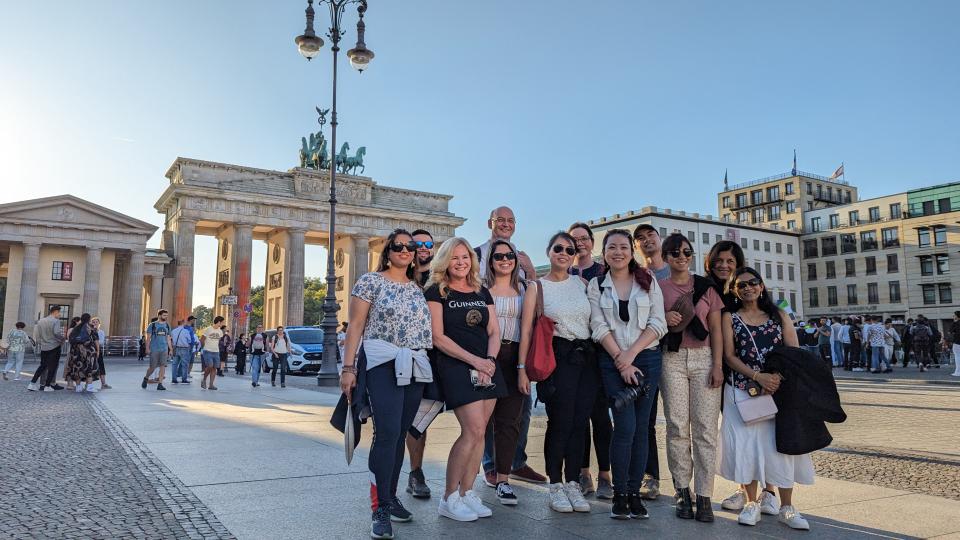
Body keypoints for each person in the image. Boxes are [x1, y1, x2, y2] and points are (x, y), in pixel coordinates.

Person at [340, 228, 433, 538]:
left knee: (400, 435)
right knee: (387, 433)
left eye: (411, 246)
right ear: (388, 250)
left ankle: (391, 497)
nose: (405, 250)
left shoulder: (419, 286)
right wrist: (349, 367)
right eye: (398, 246)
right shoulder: (371, 281)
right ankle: (379, 508)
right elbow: (355, 327)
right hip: (383, 364)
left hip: (415, 367)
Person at [718, 267, 812, 530]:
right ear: (734, 290)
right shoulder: (730, 317)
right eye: (741, 285)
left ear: (761, 286)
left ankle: (787, 507)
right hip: (742, 390)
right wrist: (758, 377)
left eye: (752, 283)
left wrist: (776, 378)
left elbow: (793, 352)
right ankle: (751, 503)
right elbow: (730, 356)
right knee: (746, 447)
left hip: (777, 391)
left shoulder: (778, 315)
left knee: (780, 447)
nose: (747, 288)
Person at [585, 229, 666, 519]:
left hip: (646, 358)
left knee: (643, 427)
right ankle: (620, 493)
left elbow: (659, 323)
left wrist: (630, 356)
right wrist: (621, 358)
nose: (617, 252)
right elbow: (597, 325)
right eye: (611, 247)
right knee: (625, 427)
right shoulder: (596, 285)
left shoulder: (647, 281)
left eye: (623, 247)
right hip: (612, 361)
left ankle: (635, 494)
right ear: (603, 253)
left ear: (631, 251)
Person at [426, 237, 505, 522]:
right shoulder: (437, 291)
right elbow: (438, 337)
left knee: (481, 432)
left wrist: (491, 362)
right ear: (445, 261)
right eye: (454, 257)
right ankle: (448, 497)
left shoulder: (482, 291)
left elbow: (494, 331)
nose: (461, 262)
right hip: (458, 366)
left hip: (488, 366)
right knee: (471, 430)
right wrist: (476, 361)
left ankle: (467, 492)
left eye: (465, 257)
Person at [519, 232, 595, 515]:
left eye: (569, 249)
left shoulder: (583, 283)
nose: (564, 253)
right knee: (560, 422)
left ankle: (573, 482)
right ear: (549, 252)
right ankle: (556, 484)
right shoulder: (537, 288)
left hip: (585, 358)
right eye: (558, 248)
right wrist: (521, 370)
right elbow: (526, 330)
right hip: (557, 359)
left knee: (579, 422)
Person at [474, 208, 546, 486]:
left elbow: (535, 301)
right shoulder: (477, 254)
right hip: (486, 347)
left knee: (521, 409)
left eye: (510, 221)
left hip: (517, 347)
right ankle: (491, 464)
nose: (505, 224)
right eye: (500, 220)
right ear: (489, 223)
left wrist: (528, 269)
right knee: (488, 412)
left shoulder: (522, 257)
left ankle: (515, 461)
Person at [656, 233, 723, 522]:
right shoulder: (658, 289)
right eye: (674, 253)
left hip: (704, 358)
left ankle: (705, 495)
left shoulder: (706, 288)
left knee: (706, 429)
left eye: (686, 252)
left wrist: (718, 364)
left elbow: (717, 329)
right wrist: (664, 318)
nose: (681, 257)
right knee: (677, 426)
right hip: (671, 359)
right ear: (666, 257)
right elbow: (649, 323)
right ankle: (683, 492)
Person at [568, 222, 612, 499]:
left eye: (584, 239)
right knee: (579, 417)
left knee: (601, 416)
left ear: (592, 243)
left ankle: (606, 474)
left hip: (600, 351)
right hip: (574, 352)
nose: (580, 243)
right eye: (575, 240)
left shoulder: (602, 271)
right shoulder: (564, 271)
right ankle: (584, 473)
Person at [483, 239, 528, 506]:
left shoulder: (524, 289)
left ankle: (503, 480)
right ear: (490, 261)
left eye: (509, 255)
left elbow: (530, 329)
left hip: (514, 357)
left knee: (510, 421)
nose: (504, 259)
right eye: (498, 255)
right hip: (487, 358)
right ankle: (469, 479)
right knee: (481, 423)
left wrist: (523, 367)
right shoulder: (481, 289)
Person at [632, 223, 669, 500]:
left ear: (660, 239)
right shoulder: (635, 275)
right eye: (640, 238)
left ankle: (686, 483)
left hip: (676, 353)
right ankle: (649, 476)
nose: (646, 241)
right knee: (645, 419)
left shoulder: (676, 270)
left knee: (681, 423)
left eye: (650, 236)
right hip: (648, 353)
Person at [406, 228, 435, 499]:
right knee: (414, 418)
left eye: (428, 243)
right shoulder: (398, 277)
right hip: (407, 355)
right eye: (417, 244)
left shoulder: (440, 277)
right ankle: (415, 472)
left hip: (437, 356)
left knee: (425, 415)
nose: (423, 247)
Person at [28, 306, 65, 392]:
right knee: (53, 367)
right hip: (54, 346)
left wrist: (42, 343)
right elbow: (56, 333)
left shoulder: (40, 321)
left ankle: (32, 384)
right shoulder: (56, 321)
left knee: (42, 366)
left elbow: (37, 335)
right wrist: (62, 339)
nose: (60, 314)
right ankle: (47, 386)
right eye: (59, 312)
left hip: (44, 347)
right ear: (55, 312)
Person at [703, 240, 745, 312]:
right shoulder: (701, 288)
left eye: (730, 261)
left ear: (738, 265)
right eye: (719, 260)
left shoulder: (744, 289)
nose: (724, 266)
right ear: (711, 262)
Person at [67, 313, 100, 393]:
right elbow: (96, 340)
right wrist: (98, 350)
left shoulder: (76, 328)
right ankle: (89, 387)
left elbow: (71, 340)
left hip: (76, 351)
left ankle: (78, 387)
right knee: (89, 368)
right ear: (89, 319)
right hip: (88, 351)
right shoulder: (91, 328)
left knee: (77, 368)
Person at [142, 310, 172, 391]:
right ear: (159, 315)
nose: (166, 317)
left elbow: (168, 338)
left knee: (163, 366)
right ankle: (146, 378)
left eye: (166, 315)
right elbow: (148, 338)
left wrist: (171, 349)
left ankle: (160, 384)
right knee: (152, 367)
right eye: (164, 315)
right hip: (154, 349)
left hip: (164, 349)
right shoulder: (152, 325)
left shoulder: (167, 326)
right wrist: (147, 348)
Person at [200, 316, 225, 390]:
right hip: (207, 351)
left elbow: (218, 341)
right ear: (219, 322)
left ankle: (211, 385)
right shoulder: (208, 329)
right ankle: (204, 379)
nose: (223, 324)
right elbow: (202, 340)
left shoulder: (220, 331)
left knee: (214, 368)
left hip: (216, 351)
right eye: (222, 322)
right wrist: (204, 348)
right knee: (210, 366)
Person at [171, 318, 196, 384]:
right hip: (184, 349)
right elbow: (189, 340)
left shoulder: (173, 331)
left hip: (176, 348)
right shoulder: (186, 331)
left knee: (175, 364)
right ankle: (184, 379)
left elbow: (172, 340)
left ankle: (174, 379)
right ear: (182, 323)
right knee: (185, 364)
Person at [92, 317, 111, 390]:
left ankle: (103, 384)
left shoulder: (101, 332)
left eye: (96, 322)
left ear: (99, 324)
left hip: (98, 350)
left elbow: (101, 342)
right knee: (89, 367)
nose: (95, 323)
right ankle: (87, 384)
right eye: (93, 322)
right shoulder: (89, 331)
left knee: (101, 366)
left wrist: (94, 342)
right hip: (89, 351)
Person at [63, 316, 81, 389]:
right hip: (72, 350)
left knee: (76, 367)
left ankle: (74, 383)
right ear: (76, 321)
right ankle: (69, 383)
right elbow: (70, 339)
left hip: (77, 350)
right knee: (70, 366)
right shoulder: (71, 329)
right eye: (80, 321)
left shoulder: (78, 329)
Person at [950, 312, 960, 377]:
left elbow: (950, 331)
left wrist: (954, 322)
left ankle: (958, 371)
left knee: (957, 356)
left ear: (957, 316)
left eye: (954, 315)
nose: (953, 316)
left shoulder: (956, 323)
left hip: (957, 342)